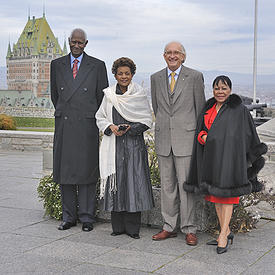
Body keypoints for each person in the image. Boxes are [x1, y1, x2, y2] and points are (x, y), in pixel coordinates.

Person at [184, 75, 267, 254]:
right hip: (212, 160)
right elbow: (202, 131)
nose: (220, 92)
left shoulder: (239, 110)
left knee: (227, 197)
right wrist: (202, 137)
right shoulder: (209, 109)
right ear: (212, 90)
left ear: (230, 90)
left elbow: (244, 135)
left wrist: (251, 156)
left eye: (224, 88)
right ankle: (227, 231)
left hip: (230, 161)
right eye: (217, 88)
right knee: (216, 197)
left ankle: (222, 235)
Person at [50, 28, 108, 232]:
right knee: (65, 171)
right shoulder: (56, 65)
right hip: (65, 124)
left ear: (86, 43)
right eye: (73, 42)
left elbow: (102, 98)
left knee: (87, 171)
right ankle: (68, 217)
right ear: (68, 41)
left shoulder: (97, 66)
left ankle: (87, 217)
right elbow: (55, 95)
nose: (76, 45)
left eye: (80, 43)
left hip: (87, 125)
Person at [150, 41, 205, 245]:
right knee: (167, 186)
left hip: (187, 140)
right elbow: (157, 108)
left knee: (186, 187)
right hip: (164, 139)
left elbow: (200, 110)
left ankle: (189, 228)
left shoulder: (195, 77)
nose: (172, 56)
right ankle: (168, 227)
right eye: (168, 53)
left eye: (176, 53)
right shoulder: (155, 78)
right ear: (164, 56)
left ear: (183, 56)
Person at [96, 57, 154, 239]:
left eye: (127, 73)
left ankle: (133, 229)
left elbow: (146, 120)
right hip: (114, 145)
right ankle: (118, 227)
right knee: (116, 184)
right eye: (120, 73)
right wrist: (111, 127)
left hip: (134, 146)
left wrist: (132, 129)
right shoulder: (109, 95)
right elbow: (100, 117)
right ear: (114, 75)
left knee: (133, 184)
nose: (123, 76)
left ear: (132, 74)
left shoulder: (139, 94)